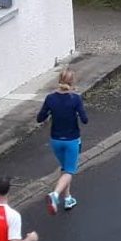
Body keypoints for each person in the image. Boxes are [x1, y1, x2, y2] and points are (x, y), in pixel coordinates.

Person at [37, 69, 88, 214]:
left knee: (65, 168)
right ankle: (55, 195)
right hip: (72, 140)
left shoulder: (50, 98)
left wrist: (50, 112)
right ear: (72, 82)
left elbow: (40, 118)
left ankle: (68, 199)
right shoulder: (75, 99)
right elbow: (85, 120)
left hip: (56, 141)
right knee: (69, 171)